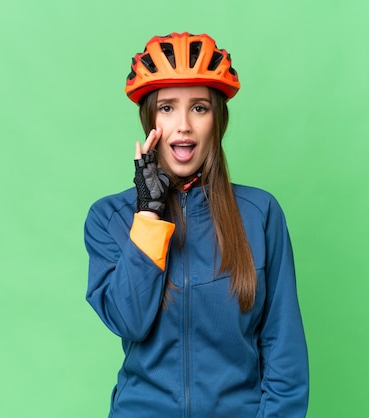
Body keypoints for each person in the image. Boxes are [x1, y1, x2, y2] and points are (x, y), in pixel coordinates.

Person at [84, 32, 309, 417]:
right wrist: (148, 215)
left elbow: (282, 348)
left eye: (200, 108)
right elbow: (129, 321)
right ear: (149, 120)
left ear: (217, 121)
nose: (184, 125)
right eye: (168, 108)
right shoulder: (110, 217)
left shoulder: (260, 213)